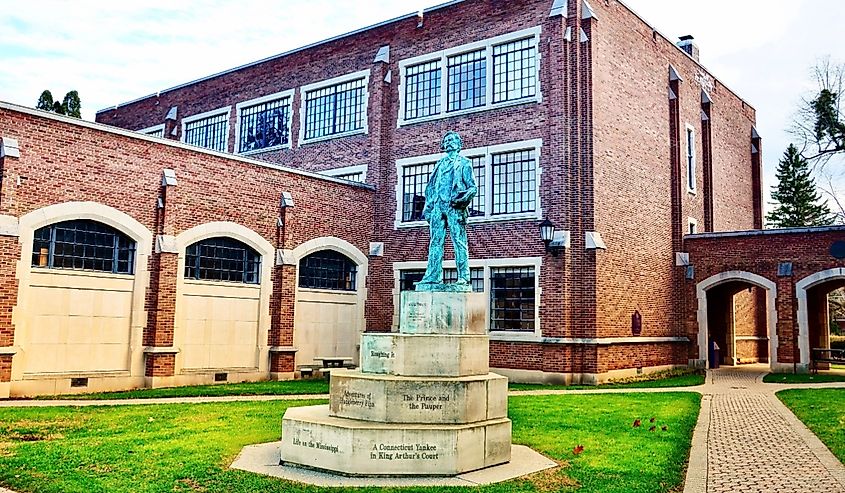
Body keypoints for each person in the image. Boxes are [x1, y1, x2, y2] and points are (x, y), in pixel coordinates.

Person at [416, 131, 477, 290]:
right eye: (446, 140)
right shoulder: (439, 164)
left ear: (458, 144)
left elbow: (472, 188)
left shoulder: (464, 163)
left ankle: (463, 277)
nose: (449, 142)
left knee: (459, 241)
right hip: (438, 207)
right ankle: (432, 276)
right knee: (435, 242)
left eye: (452, 140)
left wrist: (463, 200)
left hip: (454, 207)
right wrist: (428, 208)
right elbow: (430, 187)